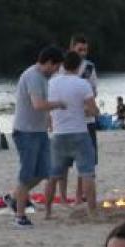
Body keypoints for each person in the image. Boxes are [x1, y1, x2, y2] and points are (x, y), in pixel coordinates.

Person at [11, 46, 67, 229]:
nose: (57, 71)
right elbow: (38, 104)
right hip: (25, 132)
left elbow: (42, 105)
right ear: (49, 63)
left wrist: (49, 119)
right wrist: (58, 104)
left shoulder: (44, 77)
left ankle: (14, 197)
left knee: (45, 171)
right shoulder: (33, 76)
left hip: (39, 131)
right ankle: (20, 216)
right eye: (56, 67)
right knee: (26, 174)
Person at [45, 50, 100, 218]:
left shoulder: (52, 83)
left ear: (62, 65)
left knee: (53, 176)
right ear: (78, 67)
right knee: (87, 174)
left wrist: (51, 123)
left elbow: (48, 108)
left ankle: (48, 212)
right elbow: (94, 110)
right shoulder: (82, 84)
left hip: (59, 134)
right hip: (79, 133)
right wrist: (83, 110)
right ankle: (92, 212)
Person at [70, 34, 101, 206]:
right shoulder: (63, 68)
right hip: (70, 120)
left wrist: (86, 100)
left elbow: (94, 90)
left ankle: (79, 196)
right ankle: (70, 197)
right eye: (79, 49)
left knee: (88, 160)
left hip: (87, 119)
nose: (82, 53)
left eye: (85, 50)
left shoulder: (89, 67)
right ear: (72, 48)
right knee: (67, 162)